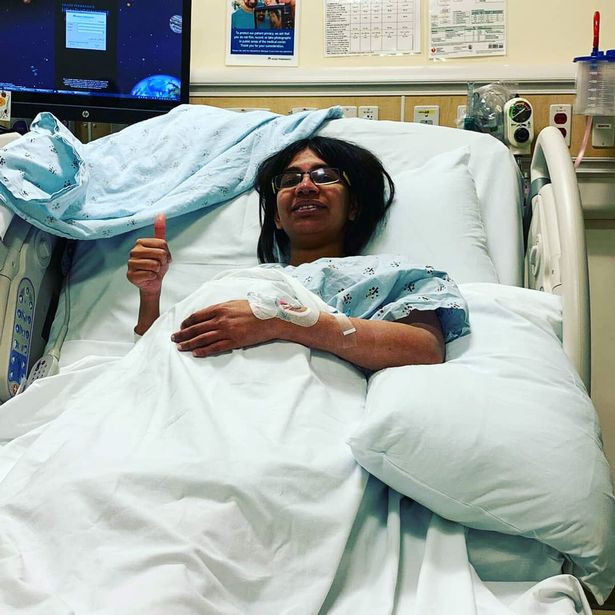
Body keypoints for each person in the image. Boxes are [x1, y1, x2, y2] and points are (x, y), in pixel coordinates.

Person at [127, 136, 465, 371]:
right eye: (290, 180)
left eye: (324, 176)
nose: (305, 186)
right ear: (277, 216)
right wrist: (150, 295)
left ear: (354, 207)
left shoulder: (385, 273)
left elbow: (424, 348)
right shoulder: (237, 281)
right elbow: (159, 354)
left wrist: (284, 321)